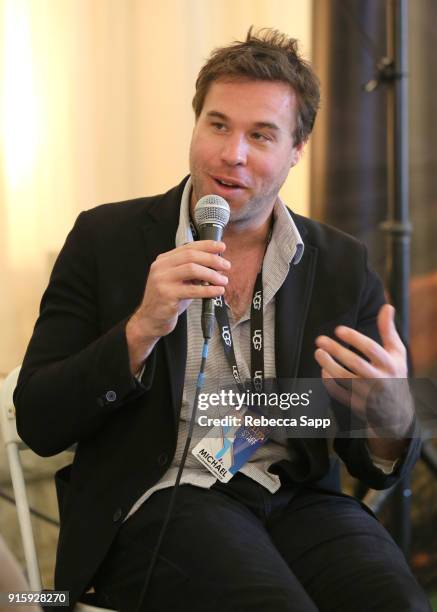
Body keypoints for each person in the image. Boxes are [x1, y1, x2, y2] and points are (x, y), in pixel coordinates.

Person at [14, 28, 430, 612]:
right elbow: (37, 418)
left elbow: (377, 465)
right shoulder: (105, 239)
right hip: (159, 499)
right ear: (195, 125)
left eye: (260, 135)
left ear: (297, 148)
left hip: (293, 495)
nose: (231, 153)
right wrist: (142, 328)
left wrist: (391, 416)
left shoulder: (338, 262)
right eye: (217, 125)